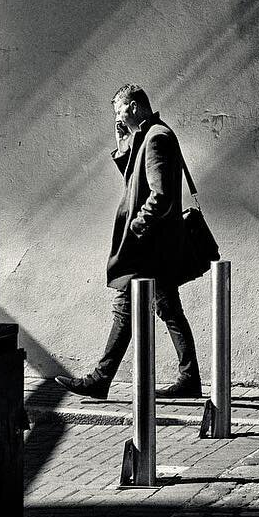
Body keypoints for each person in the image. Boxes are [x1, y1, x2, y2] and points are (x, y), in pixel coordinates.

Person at [55, 84, 202, 399]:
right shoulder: (147, 136)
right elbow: (132, 175)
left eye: (118, 110)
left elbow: (160, 195)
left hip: (149, 246)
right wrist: (121, 136)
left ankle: (101, 379)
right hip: (154, 245)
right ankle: (188, 378)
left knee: (127, 306)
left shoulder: (156, 138)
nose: (117, 117)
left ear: (134, 106)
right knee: (166, 308)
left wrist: (137, 226)